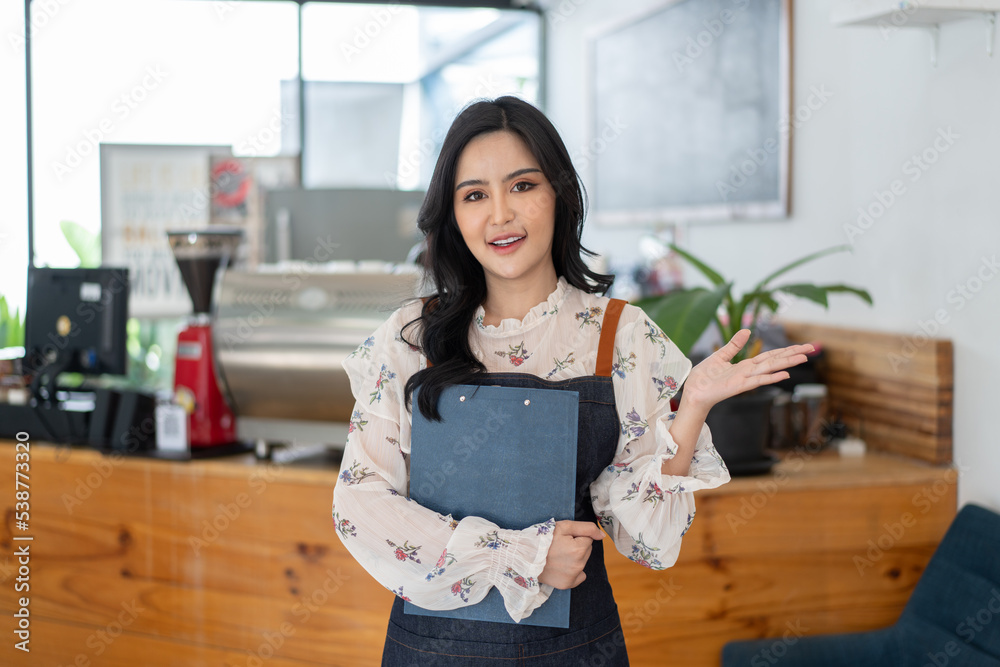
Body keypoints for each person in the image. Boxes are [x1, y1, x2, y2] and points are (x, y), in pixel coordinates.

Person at [332, 95, 814, 666]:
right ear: (453, 215)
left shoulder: (621, 335)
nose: (501, 215)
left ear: (559, 194)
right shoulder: (411, 337)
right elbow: (359, 503)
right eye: (475, 195)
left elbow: (646, 539)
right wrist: (522, 555)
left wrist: (694, 408)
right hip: (431, 651)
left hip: (575, 648)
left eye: (523, 186)